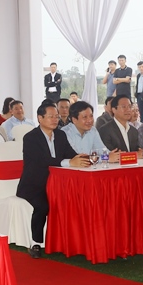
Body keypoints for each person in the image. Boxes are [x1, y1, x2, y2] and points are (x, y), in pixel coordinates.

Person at [18, 101, 90, 254]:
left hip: (58, 184)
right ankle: (36, 243)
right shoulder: (30, 138)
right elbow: (42, 160)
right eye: (51, 116)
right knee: (42, 205)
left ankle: (72, 241)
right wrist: (69, 162)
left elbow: (71, 154)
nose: (55, 120)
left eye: (57, 116)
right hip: (35, 186)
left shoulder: (60, 135)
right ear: (40, 118)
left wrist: (85, 158)